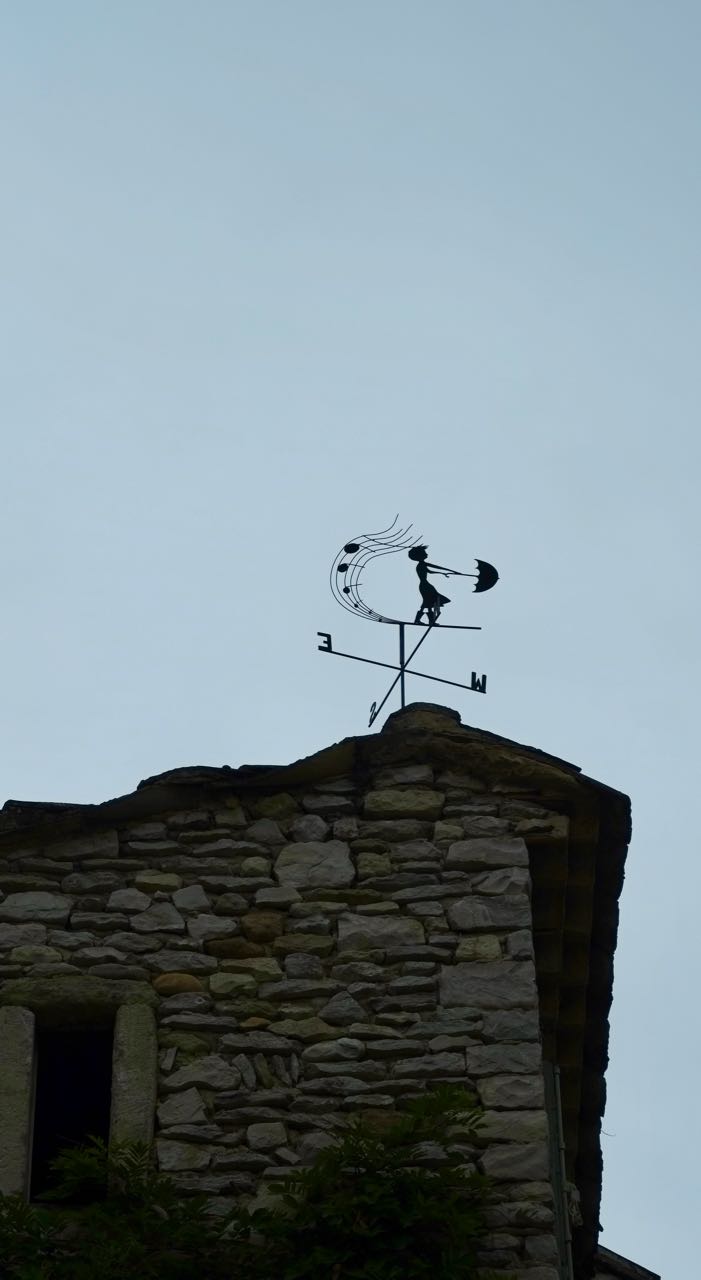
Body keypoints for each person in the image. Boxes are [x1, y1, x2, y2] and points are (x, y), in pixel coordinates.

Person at [408, 545, 451, 624]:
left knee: (428, 603)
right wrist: (447, 571)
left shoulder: (422, 564)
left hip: (425, 585)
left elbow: (431, 570)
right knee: (428, 602)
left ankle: (428, 620)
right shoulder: (421, 564)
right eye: (424, 553)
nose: (426, 554)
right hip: (425, 585)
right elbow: (436, 567)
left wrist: (444, 572)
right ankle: (423, 620)